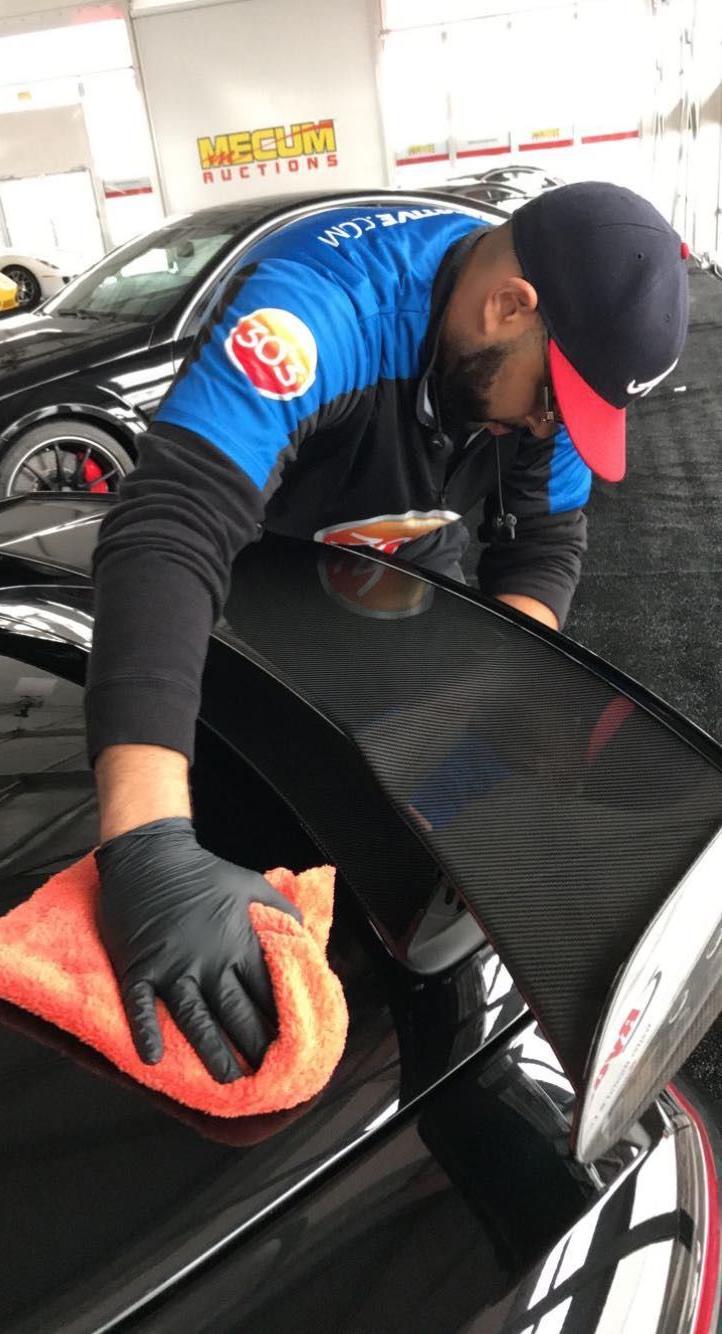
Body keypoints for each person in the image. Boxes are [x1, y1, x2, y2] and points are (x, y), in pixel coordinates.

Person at [88, 182, 689, 1083]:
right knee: (249, 847)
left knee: (410, 951)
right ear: (509, 306)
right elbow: (171, 533)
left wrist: (496, 694)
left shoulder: (558, 359)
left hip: (405, 604)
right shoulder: (319, 310)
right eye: (548, 399)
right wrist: (147, 844)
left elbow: (544, 543)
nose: (544, 425)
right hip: (241, 624)